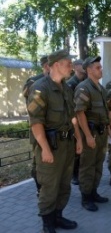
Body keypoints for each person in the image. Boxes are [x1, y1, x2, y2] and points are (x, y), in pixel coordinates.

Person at [27, 49, 82, 232]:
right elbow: (36, 123)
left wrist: (79, 139)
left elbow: (73, 118)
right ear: (56, 65)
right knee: (49, 186)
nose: (71, 67)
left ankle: (58, 217)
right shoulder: (40, 88)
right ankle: (48, 223)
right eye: (68, 64)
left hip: (67, 145)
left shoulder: (66, 88)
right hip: (50, 145)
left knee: (64, 184)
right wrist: (45, 149)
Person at [74, 56, 110, 212]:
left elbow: (106, 112)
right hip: (91, 133)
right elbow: (79, 113)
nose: (101, 69)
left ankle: (94, 192)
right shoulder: (84, 88)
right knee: (87, 166)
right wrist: (87, 136)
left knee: (98, 164)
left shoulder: (101, 89)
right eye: (97, 68)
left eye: (100, 67)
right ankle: (86, 197)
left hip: (101, 133)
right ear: (88, 70)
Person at [23, 55, 50, 197]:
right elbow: (31, 106)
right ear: (46, 66)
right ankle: (39, 188)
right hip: (38, 128)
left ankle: (49, 189)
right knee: (38, 161)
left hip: (54, 130)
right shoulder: (34, 82)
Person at [66, 59, 87, 185]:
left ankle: (80, 172)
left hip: (83, 118)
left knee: (82, 148)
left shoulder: (84, 82)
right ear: (75, 67)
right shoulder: (71, 83)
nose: (83, 67)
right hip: (74, 120)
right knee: (76, 150)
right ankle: (74, 174)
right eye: (81, 65)